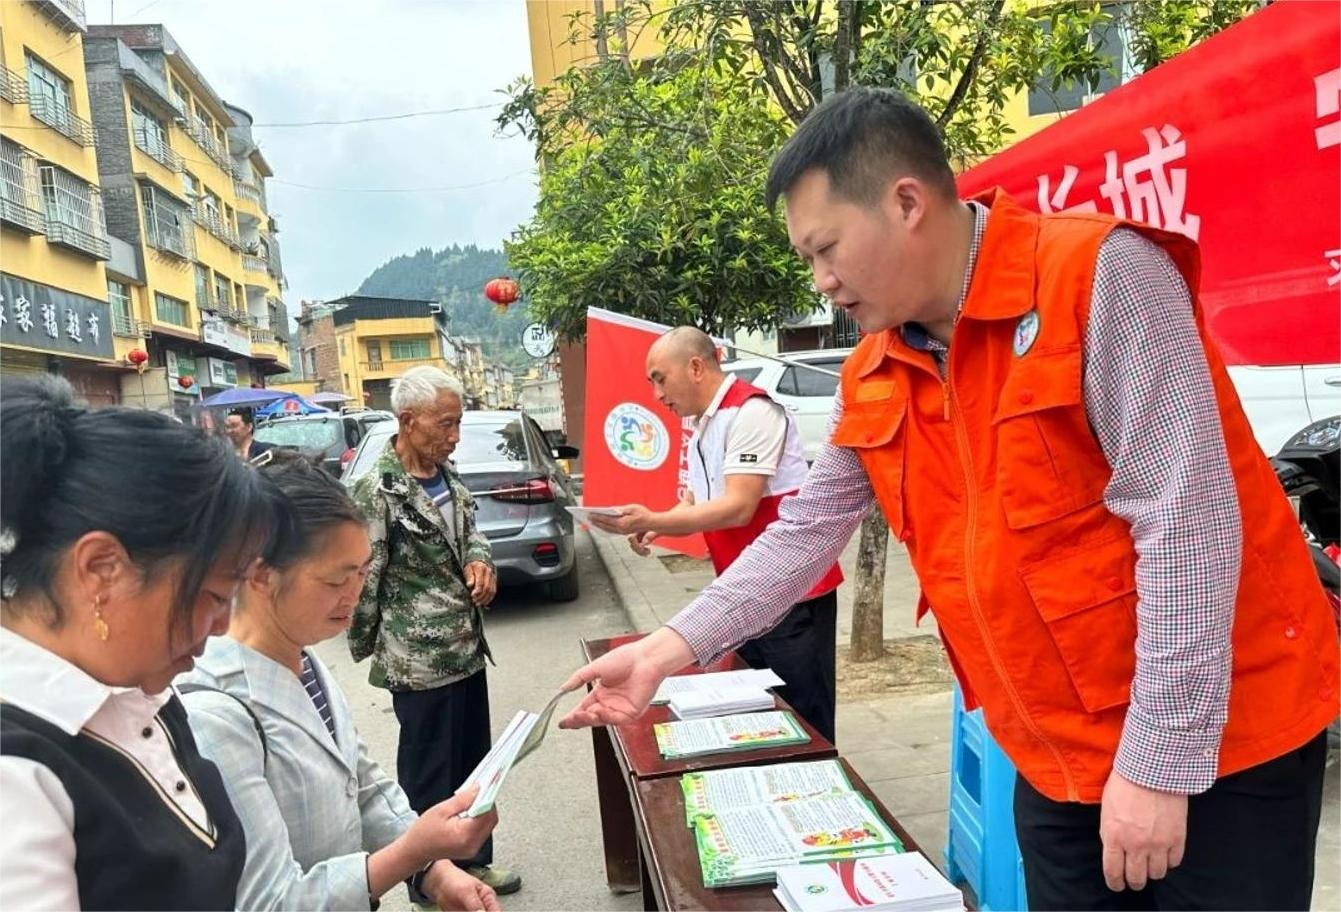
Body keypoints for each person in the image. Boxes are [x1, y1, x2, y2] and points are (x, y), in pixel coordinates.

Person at [559, 87, 1339, 911]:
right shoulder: (875, 368)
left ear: (905, 202)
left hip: (1218, 739)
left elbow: (1187, 527)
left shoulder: (1097, 276)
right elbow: (800, 536)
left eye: (826, 249)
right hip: (1057, 751)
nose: (822, 283)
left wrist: (1156, 762)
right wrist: (664, 651)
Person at [179, 452, 500, 911]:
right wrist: (415, 851)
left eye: (363, 571)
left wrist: (435, 872)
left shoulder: (303, 658)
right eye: (336, 580)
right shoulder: (216, 713)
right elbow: (274, 901)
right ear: (261, 574)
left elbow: (363, 787)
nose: (355, 593)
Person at [0, 375, 274, 910]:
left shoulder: (137, 691)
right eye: (216, 595)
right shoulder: (17, 774)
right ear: (103, 569)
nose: (222, 625)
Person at [590, 326, 843, 741]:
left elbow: (739, 506)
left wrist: (651, 519)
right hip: (744, 593)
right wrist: (655, 526)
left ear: (694, 367)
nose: (657, 394)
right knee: (759, 708)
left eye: (659, 378)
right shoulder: (703, 424)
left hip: (793, 592)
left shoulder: (754, 412)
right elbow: (697, 496)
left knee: (804, 716)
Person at [349, 365, 520, 898]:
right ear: (408, 420)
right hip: (418, 662)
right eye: (445, 424)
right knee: (429, 775)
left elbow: (472, 533)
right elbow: (363, 576)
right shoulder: (377, 491)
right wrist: (368, 642)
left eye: (458, 423)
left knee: (474, 769)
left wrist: (480, 560)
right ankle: (430, 883)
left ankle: (474, 862)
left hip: (466, 650)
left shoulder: (447, 475)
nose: (454, 436)